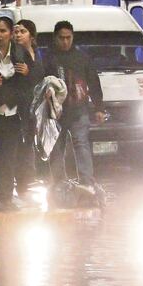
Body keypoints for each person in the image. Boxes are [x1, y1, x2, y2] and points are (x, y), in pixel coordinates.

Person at [43, 20, 105, 193]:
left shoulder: (82, 58)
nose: (65, 41)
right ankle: (58, 183)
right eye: (61, 38)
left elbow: (94, 83)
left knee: (81, 144)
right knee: (56, 148)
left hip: (79, 110)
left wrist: (99, 108)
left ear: (73, 37)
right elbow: (42, 83)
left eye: (68, 38)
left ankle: (86, 182)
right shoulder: (49, 59)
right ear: (55, 38)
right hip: (55, 112)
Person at [0, 16, 33, 211]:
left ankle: (7, 199)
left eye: (3, 31)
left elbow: (33, 83)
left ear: (11, 33)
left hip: (14, 115)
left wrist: (27, 72)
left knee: (9, 159)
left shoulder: (21, 53)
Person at [11, 19, 44, 194]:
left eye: (22, 31)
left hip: (34, 104)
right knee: (21, 143)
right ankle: (22, 180)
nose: (18, 35)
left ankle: (28, 177)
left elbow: (39, 76)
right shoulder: (16, 53)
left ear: (31, 35)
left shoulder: (36, 53)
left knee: (30, 141)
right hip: (20, 105)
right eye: (16, 32)